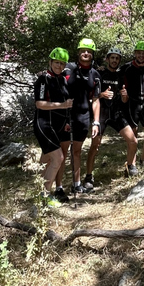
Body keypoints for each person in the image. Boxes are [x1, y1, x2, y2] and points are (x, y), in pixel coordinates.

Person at [85, 47, 140, 179]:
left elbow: (124, 99)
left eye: (117, 58)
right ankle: (88, 176)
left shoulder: (121, 75)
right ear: (107, 59)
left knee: (133, 141)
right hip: (101, 114)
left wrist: (124, 96)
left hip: (116, 113)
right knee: (95, 145)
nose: (114, 60)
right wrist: (101, 94)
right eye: (112, 58)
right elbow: (89, 95)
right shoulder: (99, 73)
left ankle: (130, 166)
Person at [33, 47, 74, 200]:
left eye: (62, 64)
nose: (59, 66)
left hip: (58, 125)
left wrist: (66, 121)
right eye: (57, 63)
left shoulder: (62, 79)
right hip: (44, 125)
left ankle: (39, 194)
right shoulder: (43, 79)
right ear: (50, 62)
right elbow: (40, 104)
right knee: (58, 159)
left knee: (46, 161)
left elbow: (66, 102)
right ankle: (45, 196)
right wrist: (62, 105)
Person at [64, 38, 101, 193]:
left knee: (76, 151)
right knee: (60, 152)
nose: (86, 53)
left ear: (92, 54)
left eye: (89, 51)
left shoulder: (95, 74)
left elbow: (96, 99)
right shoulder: (68, 69)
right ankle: (55, 187)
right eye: (83, 50)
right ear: (78, 52)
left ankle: (76, 184)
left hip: (83, 116)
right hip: (65, 115)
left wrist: (96, 122)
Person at [120, 40, 144, 167]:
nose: (141, 55)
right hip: (131, 105)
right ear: (135, 53)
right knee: (133, 138)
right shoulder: (126, 68)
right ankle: (132, 164)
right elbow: (114, 79)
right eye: (139, 53)